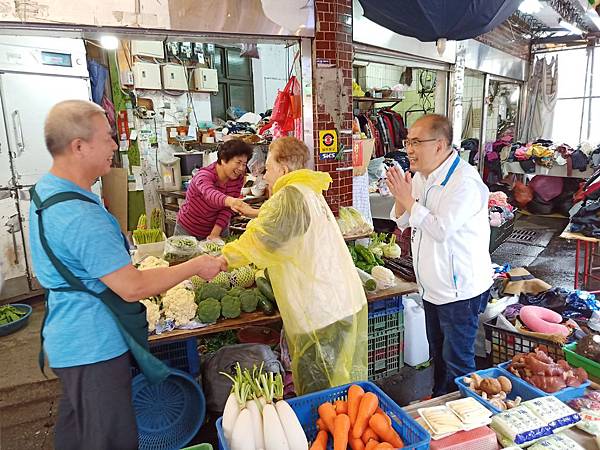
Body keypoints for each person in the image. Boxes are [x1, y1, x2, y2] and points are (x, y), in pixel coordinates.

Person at [29, 100, 226, 450]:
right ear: (79, 146)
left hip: (67, 336)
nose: (114, 147)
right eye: (107, 138)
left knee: (79, 433)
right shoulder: (79, 215)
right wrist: (196, 265)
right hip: (93, 346)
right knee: (110, 438)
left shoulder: (47, 191)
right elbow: (132, 287)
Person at [220, 136, 368, 395]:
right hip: (338, 302)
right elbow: (283, 234)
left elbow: (260, 241)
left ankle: (320, 432)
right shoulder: (306, 191)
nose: (264, 176)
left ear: (283, 169)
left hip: (319, 311)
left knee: (318, 392)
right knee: (336, 388)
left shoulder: (289, 196)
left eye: (267, 168)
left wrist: (221, 259)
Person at [386, 114, 493, 397]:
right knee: (438, 355)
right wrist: (401, 195)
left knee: (458, 362)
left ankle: (467, 424)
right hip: (432, 288)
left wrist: (408, 199)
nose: (409, 149)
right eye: (408, 141)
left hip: (459, 292)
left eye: (416, 142)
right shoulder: (423, 177)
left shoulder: (465, 182)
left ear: (440, 144)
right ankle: (440, 403)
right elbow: (402, 221)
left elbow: (441, 228)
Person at [175, 140, 258, 240]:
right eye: (238, 162)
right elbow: (210, 194)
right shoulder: (204, 175)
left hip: (217, 229)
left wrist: (215, 234)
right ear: (223, 159)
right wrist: (231, 201)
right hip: (188, 229)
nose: (241, 168)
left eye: (244, 164)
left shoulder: (238, 178)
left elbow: (227, 209)